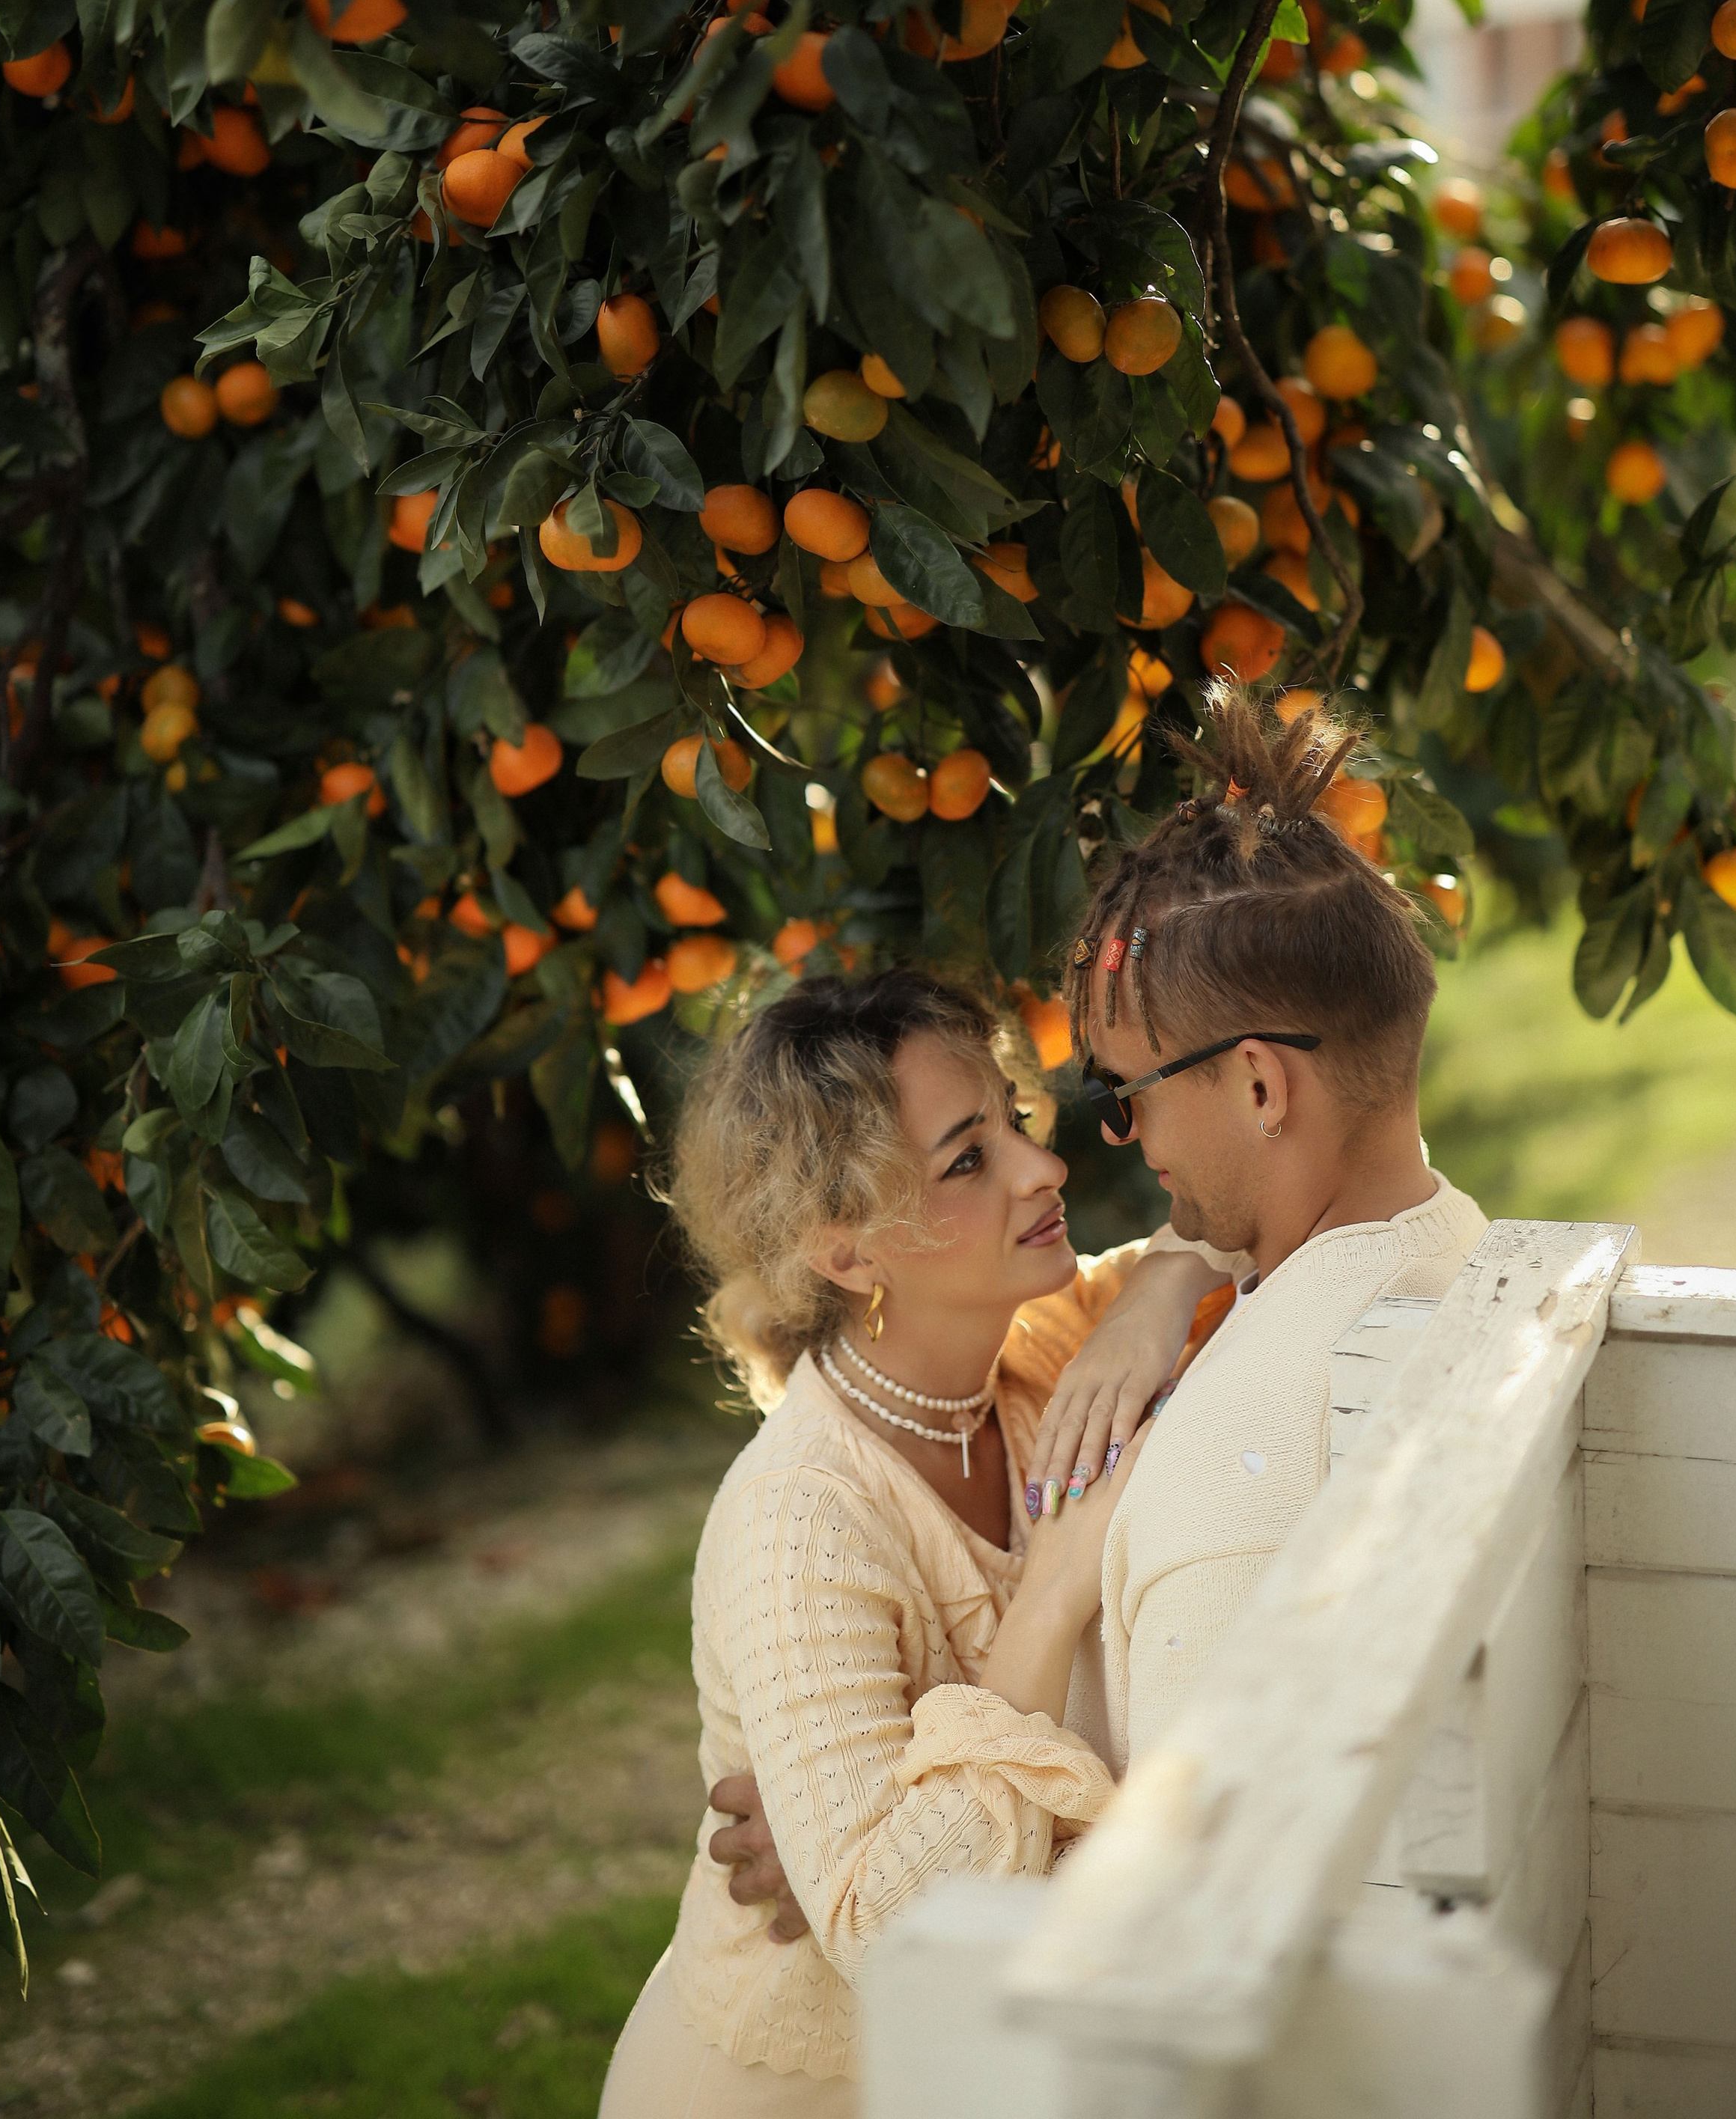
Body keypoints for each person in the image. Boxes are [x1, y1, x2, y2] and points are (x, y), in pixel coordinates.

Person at [598, 968, 1230, 2118]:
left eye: (1013, 1120)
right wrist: (1050, 1597)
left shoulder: (1040, 1351)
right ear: (847, 1253)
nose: (1042, 1168)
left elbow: (1255, 1224)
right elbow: (889, 1928)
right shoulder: (799, 1520)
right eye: (968, 1160)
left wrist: (1155, 1297)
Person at [1061, 682, 1489, 1768]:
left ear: (1260, 1087)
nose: (1122, 1135)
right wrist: (1168, 1273)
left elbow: (1189, 1864)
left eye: (1126, 1093)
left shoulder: (1229, 1477)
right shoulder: (1453, 1249)